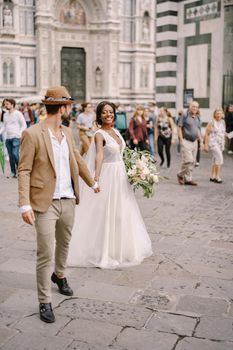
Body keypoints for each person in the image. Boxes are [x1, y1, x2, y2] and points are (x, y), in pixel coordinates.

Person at [18, 86, 100, 324]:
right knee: (45, 252)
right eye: (69, 105)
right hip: (44, 202)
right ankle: (44, 301)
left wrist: (92, 180)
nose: (70, 109)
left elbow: (76, 158)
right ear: (62, 107)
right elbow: (24, 170)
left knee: (65, 243)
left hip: (68, 198)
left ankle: (59, 275)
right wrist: (24, 204)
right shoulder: (32, 133)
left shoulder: (67, 131)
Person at [68, 101, 152, 268]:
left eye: (111, 112)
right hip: (108, 176)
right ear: (99, 116)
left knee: (122, 212)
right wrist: (96, 178)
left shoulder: (116, 131)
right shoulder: (99, 134)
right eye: (105, 112)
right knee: (105, 213)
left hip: (120, 176)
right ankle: (103, 251)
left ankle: (120, 249)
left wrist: (137, 169)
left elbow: (123, 153)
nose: (108, 115)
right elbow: (99, 156)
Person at [177, 101, 202, 186]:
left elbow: (198, 130)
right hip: (186, 141)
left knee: (193, 162)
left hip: (195, 142)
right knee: (188, 160)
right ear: (190, 107)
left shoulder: (197, 117)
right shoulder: (184, 115)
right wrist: (181, 140)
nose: (195, 108)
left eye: (196, 107)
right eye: (193, 106)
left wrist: (201, 141)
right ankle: (180, 174)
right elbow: (179, 127)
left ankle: (188, 179)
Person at [3, 98, 27, 178]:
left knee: (15, 154)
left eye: (7, 104)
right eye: (5, 104)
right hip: (8, 138)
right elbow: (4, 126)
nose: (5, 105)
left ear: (12, 104)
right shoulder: (5, 115)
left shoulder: (18, 114)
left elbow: (24, 125)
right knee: (10, 156)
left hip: (16, 137)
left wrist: (19, 134)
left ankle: (20, 171)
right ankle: (13, 172)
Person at [204, 108, 225, 183]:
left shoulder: (223, 122)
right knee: (219, 158)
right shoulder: (212, 122)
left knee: (215, 159)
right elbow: (206, 134)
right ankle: (217, 177)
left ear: (222, 114)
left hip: (220, 143)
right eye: (217, 113)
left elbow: (222, 133)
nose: (219, 115)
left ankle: (212, 176)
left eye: (220, 113)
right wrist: (205, 145)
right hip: (213, 143)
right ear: (215, 114)